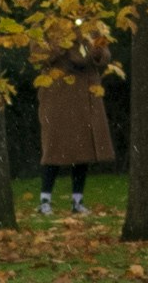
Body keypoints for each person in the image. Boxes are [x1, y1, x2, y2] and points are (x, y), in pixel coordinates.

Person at [30, 59, 114, 226]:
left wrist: (95, 51)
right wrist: (64, 49)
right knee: (53, 148)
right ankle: (45, 200)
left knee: (82, 148)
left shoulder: (90, 33)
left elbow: (102, 56)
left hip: (84, 94)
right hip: (57, 93)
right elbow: (39, 55)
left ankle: (77, 200)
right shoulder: (48, 33)